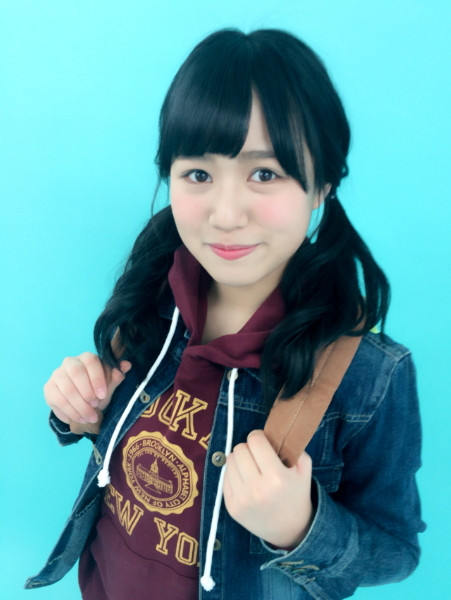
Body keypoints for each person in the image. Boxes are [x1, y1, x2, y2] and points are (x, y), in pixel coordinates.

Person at [25, 28, 426, 600]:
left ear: (321, 186)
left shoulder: (370, 376)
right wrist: (77, 411)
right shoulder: (151, 295)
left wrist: (300, 528)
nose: (227, 214)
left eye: (265, 174)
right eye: (199, 174)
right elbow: (112, 436)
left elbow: (397, 550)